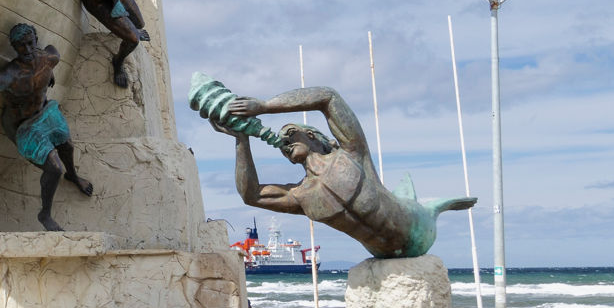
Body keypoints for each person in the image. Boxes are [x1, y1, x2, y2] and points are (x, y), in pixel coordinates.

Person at [196, 82, 475, 259]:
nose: (285, 141)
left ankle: (438, 205)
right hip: (381, 254)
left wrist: (265, 107)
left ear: (315, 137)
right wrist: (241, 141)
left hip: (417, 232)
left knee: (427, 208)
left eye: (292, 132)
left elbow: (328, 97)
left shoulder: (352, 154)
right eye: (283, 142)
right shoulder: (302, 195)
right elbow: (252, 195)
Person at [0, 17, 92, 231]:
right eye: (22, 45)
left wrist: (50, 76)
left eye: (31, 42)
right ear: (14, 47)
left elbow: (53, 57)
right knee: (54, 168)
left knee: (67, 146)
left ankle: (73, 175)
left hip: (46, 111)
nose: (28, 49)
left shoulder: (49, 58)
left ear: (36, 40)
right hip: (24, 126)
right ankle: (45, 214)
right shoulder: (12, 73)